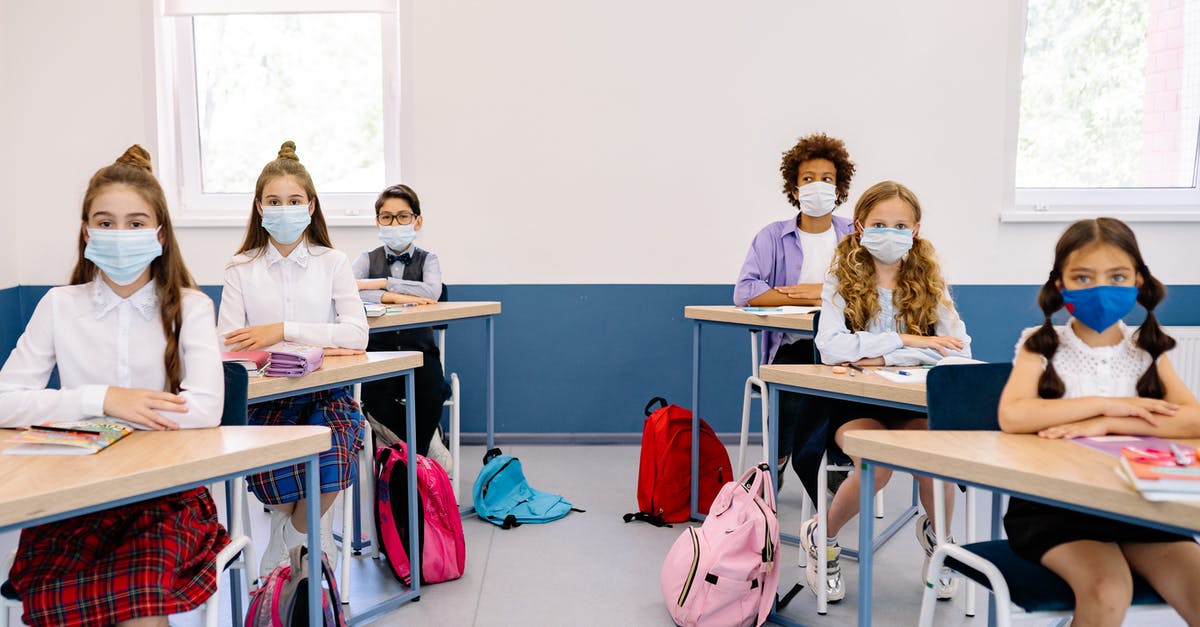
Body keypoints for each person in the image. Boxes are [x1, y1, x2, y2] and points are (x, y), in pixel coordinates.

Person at [1, 145, 228, 627]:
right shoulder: (59, 306)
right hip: (73, 497)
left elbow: (205, 408)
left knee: (138, 601)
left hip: (166, 497)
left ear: (160, 235)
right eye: (105, 223)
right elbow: (4, 400)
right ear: (86, 231)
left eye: (136, 223)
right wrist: (101, 398)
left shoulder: (192, 307)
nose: (119, 235)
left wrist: (83, 412)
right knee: (63, 603)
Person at [998, 217, 1200, 626]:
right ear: (1062, 285)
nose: (1100, 288)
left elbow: (1193, 420)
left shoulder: (1147, 349)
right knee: (1109, 591)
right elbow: (1014, 415)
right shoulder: (1041, 344)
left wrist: (1109, 425)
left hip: (1139, 504)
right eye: (1084, 277)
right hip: (1052, 507)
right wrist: (1105, 406)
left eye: (1117, 276)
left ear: (1138, 281)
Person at [804, 180, 970, 603]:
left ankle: (941, 539)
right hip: (853, 401)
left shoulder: (931, 280)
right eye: (879, 223)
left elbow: (959, 350)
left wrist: (874, 356)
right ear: (860, 226)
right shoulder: (842, 278)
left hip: (911, 400)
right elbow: (830, 348)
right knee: (876, 466)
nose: (890, 232)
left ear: (915, 230)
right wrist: (910, 343)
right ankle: (822, 537)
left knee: (935, 457)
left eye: (900, 224)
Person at [216, 141, 369, 579]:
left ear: (311, 205)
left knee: (337, 448)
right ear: (259, 207)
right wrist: (316, 340)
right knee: (273, 470)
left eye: (294, 201)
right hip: (265, 399)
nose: (285, 209)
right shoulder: (240, 267)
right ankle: (302, 544)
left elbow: (357, 334)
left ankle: (290, 547)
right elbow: (229, 345)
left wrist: (282, 330)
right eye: (274, 201)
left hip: (326, 393)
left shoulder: (333, 262)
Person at [733, 132, 856, 497]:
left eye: (827, 179)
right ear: (794, 187)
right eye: (808, 179)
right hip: (794, 344)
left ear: (839, 187)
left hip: (847, 347)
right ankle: (782, 458)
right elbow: (745, 291)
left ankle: (840, 461)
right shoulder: (772, 236)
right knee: (790, 391)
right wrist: (804, 302)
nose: (818, 186)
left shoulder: (854, 235)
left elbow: (871, 290)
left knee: (849, 391)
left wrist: (822, 292)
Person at [352, 183, 452, 470]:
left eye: (403, 216)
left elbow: (432, 292)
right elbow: (349, 290)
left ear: (417, 221)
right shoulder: (366, 258)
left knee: (432, 391)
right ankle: (406, 450)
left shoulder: (428, 259)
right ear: (378, 222)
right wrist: (395, 296)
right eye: (387, 217)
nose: (394, 223)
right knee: (377, 396)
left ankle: (412, 452)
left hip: (421, 352)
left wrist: (383, 283)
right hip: (376, 353)